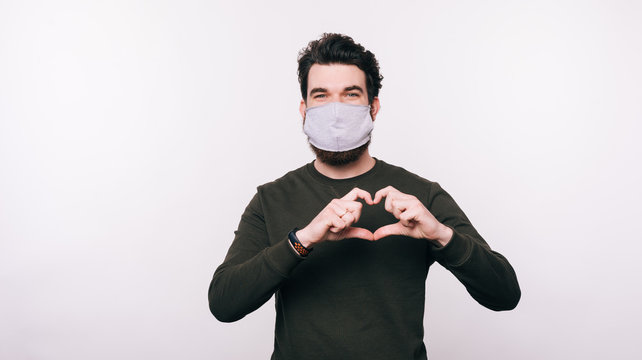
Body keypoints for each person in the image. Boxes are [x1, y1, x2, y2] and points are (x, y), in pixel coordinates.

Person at [208, 33, 521, 360]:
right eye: (321, 95)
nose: (336, 111)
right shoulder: (271, 199)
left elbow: (504, 294)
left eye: (351, 94)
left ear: (373, 106)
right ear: (304, 109)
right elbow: (225, 304)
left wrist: (441, 235)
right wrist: (301, 240)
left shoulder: (420, 196)